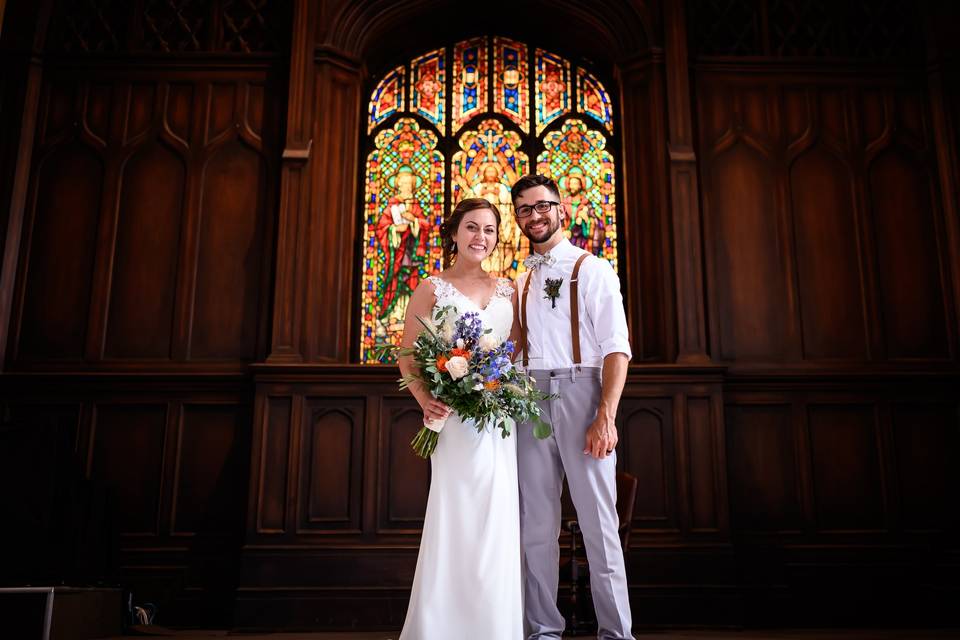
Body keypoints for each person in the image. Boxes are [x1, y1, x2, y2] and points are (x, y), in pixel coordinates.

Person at [512, 174, 633, 640]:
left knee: (599, 522)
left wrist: (606, 414)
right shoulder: (520, 278)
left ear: (562, 210)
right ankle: (542, 630)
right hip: (528, 399)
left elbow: (616, 349)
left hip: (582, 393)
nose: (534, 215)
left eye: (542, 206)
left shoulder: (594, 269)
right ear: (518, 219)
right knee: (536, 525)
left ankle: (616, 633)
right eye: (524, 209)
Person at [397, 197, 524, 639]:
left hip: (497, 422)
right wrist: (423, 398)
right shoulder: (432, 288)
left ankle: (493, 628)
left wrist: (504, 388)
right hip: (453, 422)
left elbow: (517, 354)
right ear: (454, 233)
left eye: (489, 230)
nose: (480, 238)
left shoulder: (509, 290)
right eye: (472, 228)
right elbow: (407, 352)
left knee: (496, 521)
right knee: (454, 517)